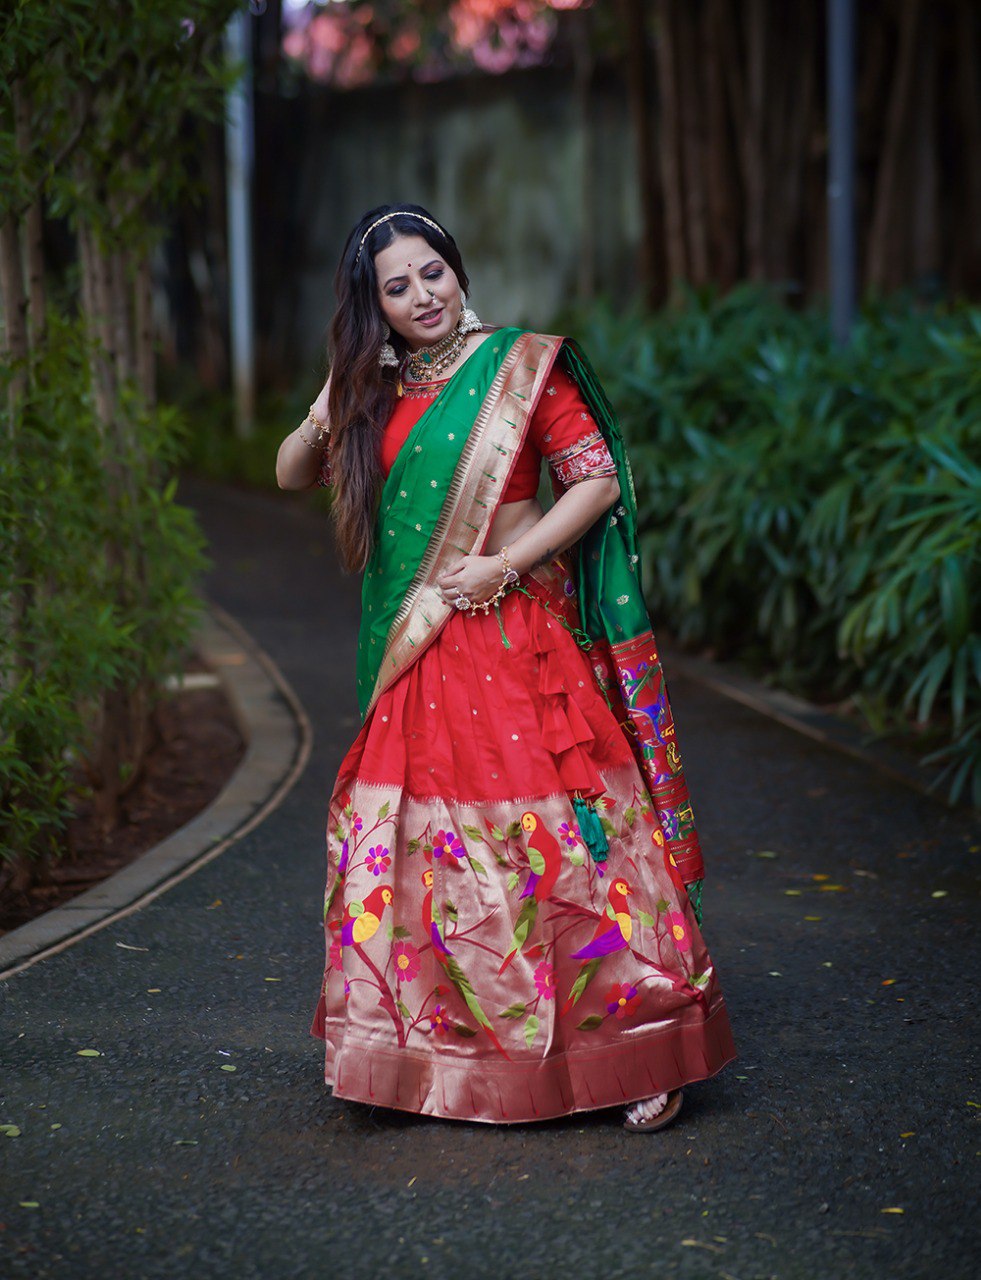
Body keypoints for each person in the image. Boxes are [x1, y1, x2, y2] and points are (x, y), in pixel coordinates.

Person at [277, 203, 736, 1131]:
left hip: (514, 639)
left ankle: (637, 1047)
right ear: (376, 307)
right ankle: (428, 1052)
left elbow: (596, 477)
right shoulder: (373, 388)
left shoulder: (521, 369)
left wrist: (501, 564)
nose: (420, 297)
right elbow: (291, 473)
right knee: (414, 846)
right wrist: (329, 400)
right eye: (395, 288)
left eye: (430, 273)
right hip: (419, 652)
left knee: (558, 844)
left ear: (458, 270)